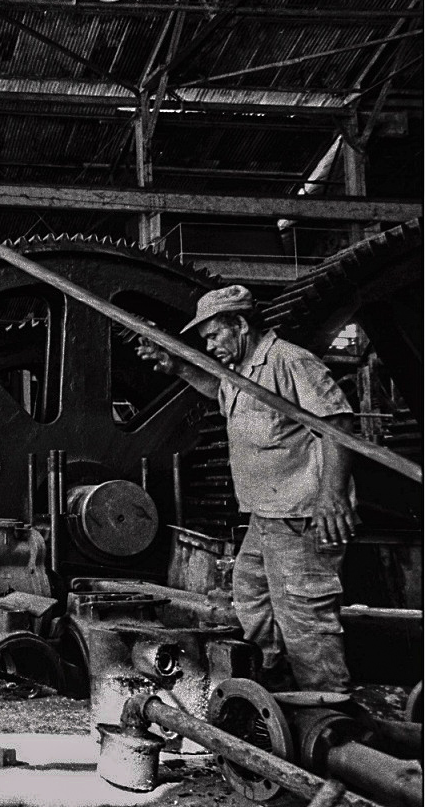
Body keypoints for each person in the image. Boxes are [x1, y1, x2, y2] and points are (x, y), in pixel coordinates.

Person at [137, 284, 355, 693]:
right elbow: (221, 392)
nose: (211, 345)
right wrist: (176, 365)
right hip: (265, 516)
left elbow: (338, 426)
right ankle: (276, 685)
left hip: (301, 516)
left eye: (214, 335)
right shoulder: (241, 371)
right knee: (252, 597)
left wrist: (332, 496)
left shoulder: (290, 361)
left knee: (304, 615)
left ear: (240, 324)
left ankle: (328, 709)